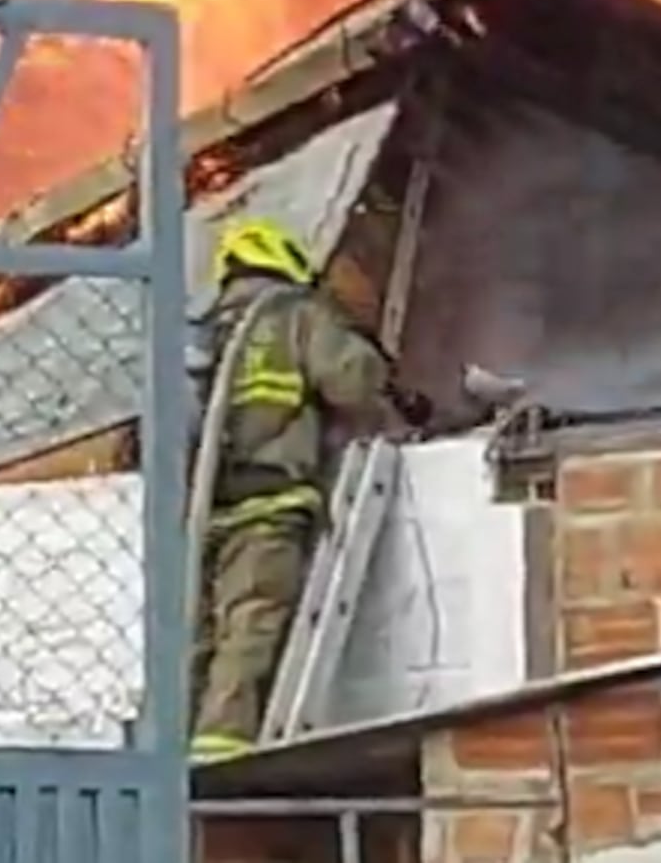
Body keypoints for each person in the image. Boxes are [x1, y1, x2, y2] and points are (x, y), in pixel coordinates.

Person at [187, 217, 519, 763]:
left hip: (200, 512)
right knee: (252, 622)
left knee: (199, 630)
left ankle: (180, 741)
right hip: (270, 501)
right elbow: (353, 379)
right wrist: (388, 381)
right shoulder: (293, 314)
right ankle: (221, 746)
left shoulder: (204, 334)